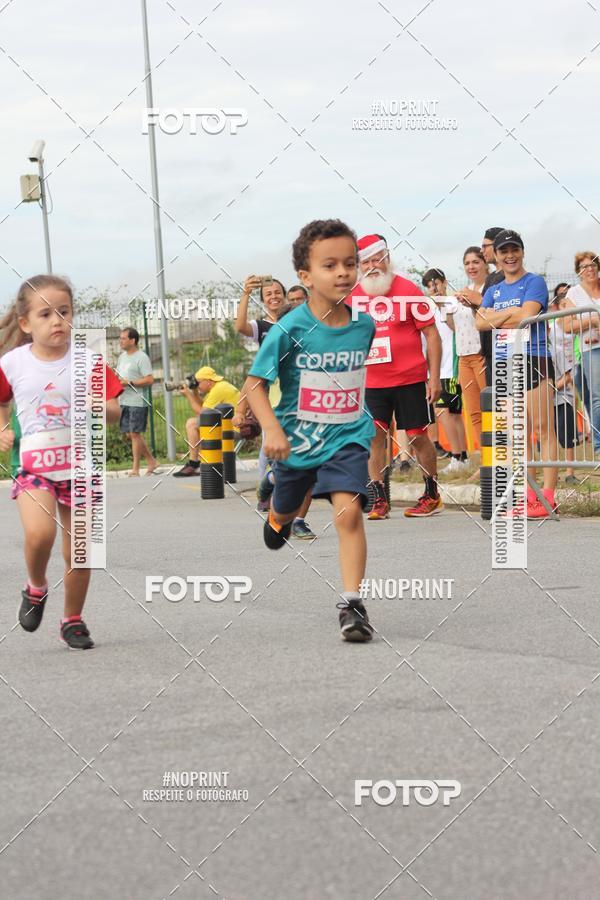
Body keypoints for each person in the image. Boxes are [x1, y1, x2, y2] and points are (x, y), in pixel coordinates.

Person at [242, 218, 376, 642]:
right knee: (285, 510)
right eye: (330, 265)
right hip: (296, 443)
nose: (342, 273)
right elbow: (255, 385)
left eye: (350, 264)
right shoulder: (289, 329)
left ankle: (352, 604)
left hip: (348, 437)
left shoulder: (364, 326)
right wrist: (271, 430)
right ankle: (278, 516)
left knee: (349, 512)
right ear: (305, 275)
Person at [0, 275, 123, 648]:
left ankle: (73, 619)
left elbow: (116, 410)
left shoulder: (89, 361)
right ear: (25, 324)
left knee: (81, 551)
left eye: (64, 312)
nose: (57, 321)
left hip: (82, 468)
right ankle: (36, 586)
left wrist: (97, 407)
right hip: (36, 469)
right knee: (40, 534)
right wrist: (2, 428)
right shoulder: (13, 363)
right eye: (45, 314)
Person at [348, 234, 443, 519]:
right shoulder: (354, 296)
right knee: (374, 437)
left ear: (387, 259)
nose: (373, 266)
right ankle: (379, 498)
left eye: (378, 259)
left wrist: (435, 378)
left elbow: (432, 335)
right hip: (371, 383)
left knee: (417, 437)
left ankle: (431, 493)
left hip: (410, 379)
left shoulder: (408, 290)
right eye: (366, 261)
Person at [476, 229, 558, 517]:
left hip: (534, 358)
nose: (510, 256)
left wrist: (500, 317)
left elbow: (527, 314)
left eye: (515, 250)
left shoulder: (533, 281)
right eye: (504, 251)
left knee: (543, 429)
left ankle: (547, 496)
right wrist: (511, 316)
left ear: (522, 252)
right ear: (496, 256)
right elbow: (480, 322)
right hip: (505, 361)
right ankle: (530, 496)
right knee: (518, 434)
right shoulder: (493, 289)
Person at [422, 269, 469, 472]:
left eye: (436, 283)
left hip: (451, 366)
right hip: (435, 369)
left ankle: (458, 456)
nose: (433, 288)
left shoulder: (453, 303)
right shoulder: (424, 308)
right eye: (429, 285)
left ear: (444, 282)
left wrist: (441, 301)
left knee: (448, 413)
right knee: (449, 413)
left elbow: (456, 328)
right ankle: (461, 457)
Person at [444, 247, 489, 445]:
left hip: (482, 356)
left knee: (492, 410)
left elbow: (487, 320)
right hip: (464, 358)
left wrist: (474, 305)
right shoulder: (462, 291)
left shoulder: (489, 289)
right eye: (467, 263)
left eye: (476, 262)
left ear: (485, 264)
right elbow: (456, 328)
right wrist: (445, 310)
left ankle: (500, 460)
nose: (471, 266)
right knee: (474, 412)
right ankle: (485, 462)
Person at [560, 252, 600, 454]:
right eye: (584, 266)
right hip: (591, 350)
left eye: (593, 265)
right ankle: (599, 444)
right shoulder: (574, 294)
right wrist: (592, 321)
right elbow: (567, 325)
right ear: (579, 272)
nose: (590, 269)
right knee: (597, 397)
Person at [172, 366, 240, 477]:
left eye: (198, 383)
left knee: (192, 423)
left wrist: (188, 396)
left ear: (208, 381)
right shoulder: (219, 387)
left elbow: (203, 415)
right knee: (196, 423)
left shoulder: (218, 390)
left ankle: (193, 463)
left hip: (233, 429)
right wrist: (194, 392)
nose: (197, 385)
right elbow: (204, 407)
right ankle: (198, 461)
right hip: (231, 425)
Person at [116, 327, 158, 476]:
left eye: (123, 338)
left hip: (138, 401)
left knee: (134, 434)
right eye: (120, 338)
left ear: (132, 341)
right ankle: (151, 461)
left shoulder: (142, 357)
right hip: (124, 400)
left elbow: (149, 379)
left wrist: (130, 383)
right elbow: (120, 378)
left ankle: (135, 469)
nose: (120, 341)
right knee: (131, 434)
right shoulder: (122, 357)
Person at [548, 286, 578, 483]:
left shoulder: (557, 350)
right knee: (550, 435)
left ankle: (569, 472)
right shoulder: (537, 355)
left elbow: (568, 375)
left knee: (566, 434)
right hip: (545, 400)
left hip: (562, 395)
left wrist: (553, 388)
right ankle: (552, 471)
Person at [477, 227, 507, 385]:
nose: (482, 251)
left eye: (484, 246)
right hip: (490, 353)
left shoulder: (510, 276)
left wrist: (477, 301)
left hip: (506, 351)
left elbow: (503, 313)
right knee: (497, 406)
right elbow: (482, 317)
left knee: (510, 405)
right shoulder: (491, 278)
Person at [235, 275, 286, 345]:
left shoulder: (294, 322)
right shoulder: (259, 326)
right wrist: (246, 293)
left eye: (278, 293)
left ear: (284, 296)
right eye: (268, 294)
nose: (274, 296)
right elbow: (240, 327)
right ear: (263, 300)